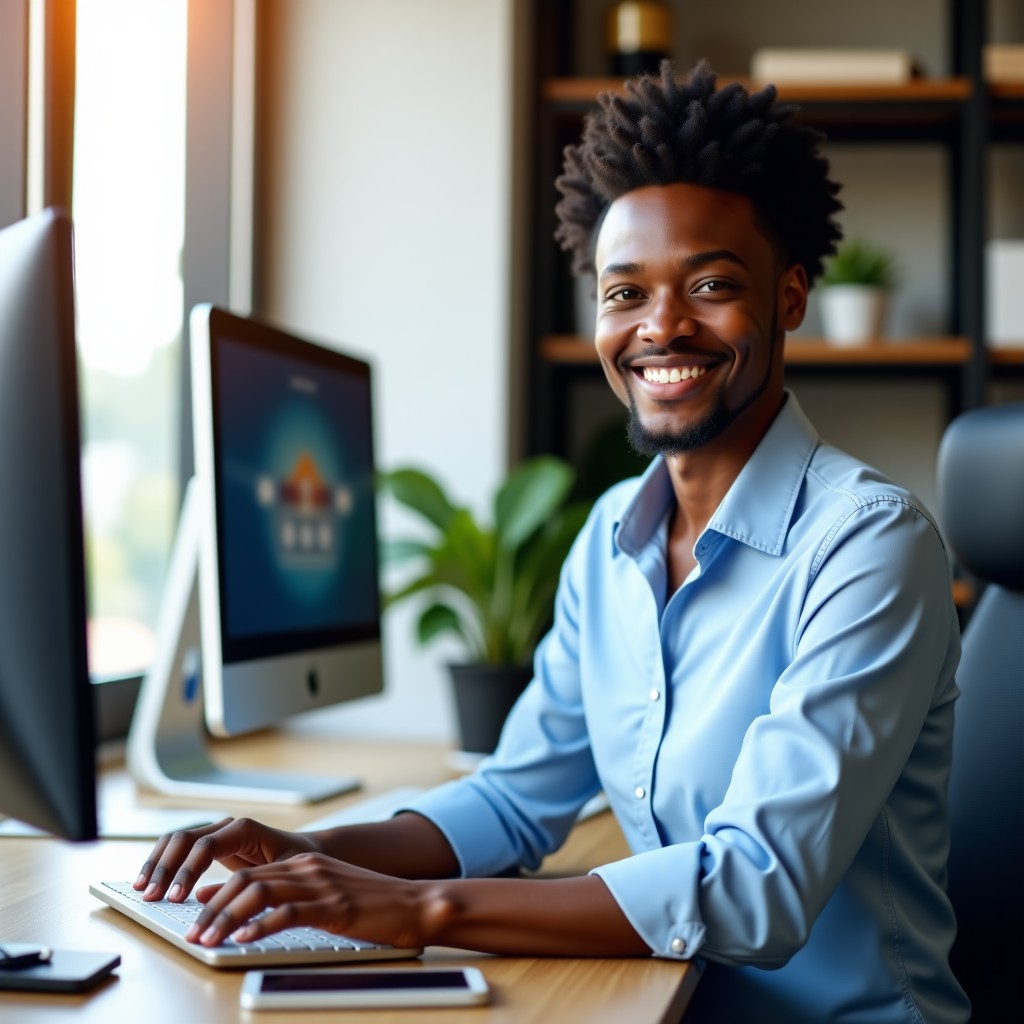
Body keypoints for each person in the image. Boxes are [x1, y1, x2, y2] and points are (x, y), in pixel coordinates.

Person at [135, 62, 969, 1022]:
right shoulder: (609, 540)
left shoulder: (870, 547)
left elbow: (755, 889)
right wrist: (311, 853)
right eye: (625, 294)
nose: (661, 327)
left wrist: (419, 911)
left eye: (710, 284)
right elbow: (512, 804)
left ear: (787, 298)